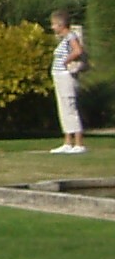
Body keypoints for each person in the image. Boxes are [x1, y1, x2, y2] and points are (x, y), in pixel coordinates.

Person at [52, 9, 90, 155]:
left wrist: (66, 61)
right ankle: (68, 141)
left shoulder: (70, 36)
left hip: (66, 76)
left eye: (55, 24)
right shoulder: (64, 39)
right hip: (59, 76)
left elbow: (78, 50)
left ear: (61, 25)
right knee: (64, 109)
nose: (53, 27)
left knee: (70, 107)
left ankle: (79, 143)